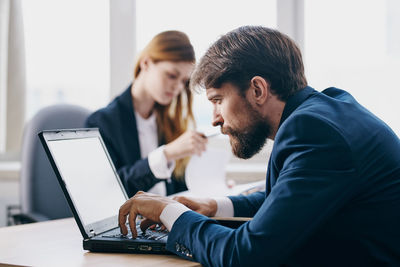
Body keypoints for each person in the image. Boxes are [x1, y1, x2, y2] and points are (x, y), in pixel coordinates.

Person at [118, 26, 400, 266]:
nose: (215, 119)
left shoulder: (314, 133)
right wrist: (215, 206)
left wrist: (170, 213)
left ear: (257, 90)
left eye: (218, 100)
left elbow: (245, 256)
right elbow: (288, 199)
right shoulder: (329, 109)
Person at [86, 31, 207, 197]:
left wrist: (211, 189)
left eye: (183, 82)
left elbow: (178, 189)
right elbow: (109, 192)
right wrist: (165, 154)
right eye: (172, 76)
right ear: (146, 63)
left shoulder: (169, 124)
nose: (178, 87)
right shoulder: (102, 123)